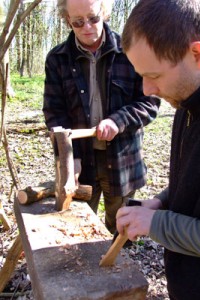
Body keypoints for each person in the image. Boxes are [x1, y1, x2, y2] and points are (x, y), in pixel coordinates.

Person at [116, 0, 200, 298]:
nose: (147, 90)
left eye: (154, 75)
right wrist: (161, 202)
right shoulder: (188, 100)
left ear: (197, 54)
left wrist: (158, 224)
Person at [43, 0, 160, 234]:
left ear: (104, 13)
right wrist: (69, 157)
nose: (87, 26)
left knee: (121, 226)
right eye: (78, 22)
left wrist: (118, 121)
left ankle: (116, 262)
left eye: (93, 18)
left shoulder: (130, 52)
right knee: (79, 225)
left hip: (122, 159)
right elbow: (54, 113)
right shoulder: (57, 59)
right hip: (81, 162)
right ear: (68, 21)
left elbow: (150, 102)